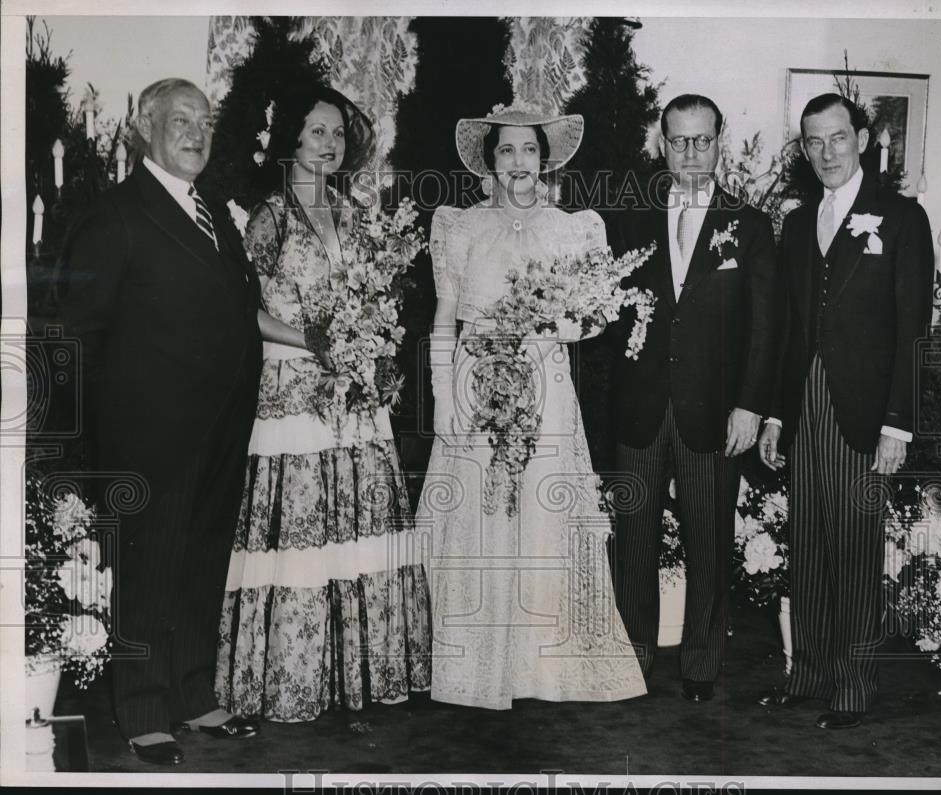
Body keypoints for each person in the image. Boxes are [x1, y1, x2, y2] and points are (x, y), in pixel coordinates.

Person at [213, 82, 431, 722]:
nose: (329, 144)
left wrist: (377, 353)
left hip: (355, 394)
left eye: (338, 133)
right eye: (316, 132)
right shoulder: (270, 218)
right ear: (291, 140)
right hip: (293, 390)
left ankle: (355, 677)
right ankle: (294, 678)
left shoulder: (358, 216)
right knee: (303, 535)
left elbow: (377, 301)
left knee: (358, 530)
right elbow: (242, 308)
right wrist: (310, 339)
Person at [60, 78, 263, 765]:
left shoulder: (213, 210)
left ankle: (192, 693)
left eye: (204, 121)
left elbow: (235, 308)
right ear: (144, 127)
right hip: (147, 437)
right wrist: (84, 454)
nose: (195, 132)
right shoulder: (115, 215)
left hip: (220, 428)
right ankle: (144, 711)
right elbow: (76, 337)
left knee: (201, 564)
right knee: (146, 576)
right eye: (180, 119)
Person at [418, 104, 647, 709]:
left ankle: (543, 665)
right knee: (482, 515)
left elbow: (595, 316)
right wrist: (444, 397)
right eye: (506, 151)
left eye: (528, 151)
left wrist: (561, 325)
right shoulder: (459, 226)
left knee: (542, 513)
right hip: (475, 381)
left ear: (544, 160)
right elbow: (444, 318)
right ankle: (477, 664)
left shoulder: (574, 227)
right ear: (490, 162)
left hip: (544, 383)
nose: (518, 163)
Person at [757, 93, 933, 729]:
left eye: (836, 138)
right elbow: (788, 328)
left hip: (865, 411)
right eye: (813, 142)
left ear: (861, 137)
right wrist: (777, 414)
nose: (825, 153)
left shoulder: (903, 217)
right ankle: (807, 675)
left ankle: (854, 689)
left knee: (855, 549)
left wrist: (897, 422)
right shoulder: (799, 222)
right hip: (805, 405)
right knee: (805, 544)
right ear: (803, 149)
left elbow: (914, 328)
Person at [609, 94, 779, 699]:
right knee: (633, 542)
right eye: (678, 141)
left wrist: (751, 406)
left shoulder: (750, 226)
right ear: (661, 142)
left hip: (716, 413)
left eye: (701, 141)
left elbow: (766, 327)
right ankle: (632, 657)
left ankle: (702, 666)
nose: (689, 154)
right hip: (642, 408)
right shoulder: (627, 219)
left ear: (720, 140)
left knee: (709, 540)